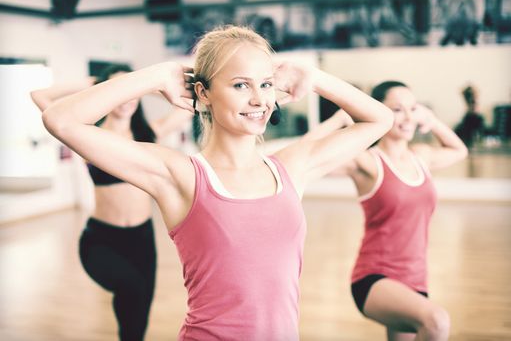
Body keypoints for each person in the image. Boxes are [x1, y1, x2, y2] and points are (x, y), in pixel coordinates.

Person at [41, 25, 393, 340]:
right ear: (203, 93)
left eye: (265, 84)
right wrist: (157, 75)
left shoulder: (290, 168)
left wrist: (313, 77)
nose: (259, 100)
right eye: (241, 85)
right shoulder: (181, 176)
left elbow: (380, 119)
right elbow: (61, 120)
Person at [31, 64, 193, 341]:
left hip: (142, 241)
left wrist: (146, 84)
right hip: (102, 241)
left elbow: (187, 107)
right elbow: (40, 96)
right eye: (120, 92)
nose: (127, 99)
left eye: (132, 93)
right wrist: (99, 83)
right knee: (131, 290)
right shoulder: (88, 135)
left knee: (136, 319)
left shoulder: (148, 135)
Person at [308, 81, 468, 340]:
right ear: (379, 112)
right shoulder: (368, 162)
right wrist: (341, 117)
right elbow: (310, 150)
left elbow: (459, 150)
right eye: (397, 109)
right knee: (437, 322)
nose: (407, 117)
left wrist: (432, 119)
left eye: (412, 108)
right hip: (375, 278)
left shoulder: (422, 156)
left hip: (416, 280)